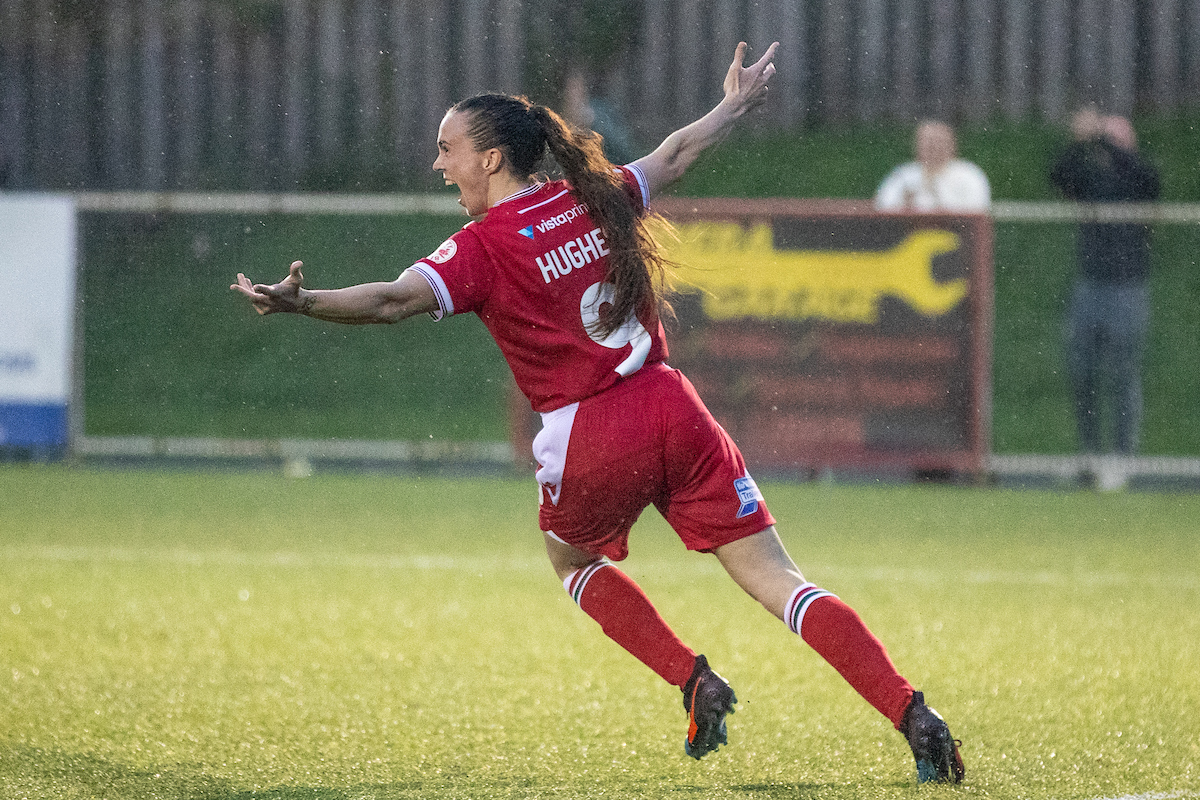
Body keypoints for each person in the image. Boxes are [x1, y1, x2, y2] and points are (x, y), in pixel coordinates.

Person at [231, 42, 964, 784]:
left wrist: (305, 303)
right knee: (783, 582)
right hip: (674, 404)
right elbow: (675, 157)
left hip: (593, 428)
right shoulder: (590, 194)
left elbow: (392, 300)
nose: (438, 163)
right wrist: (734, 105)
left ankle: (692, 678)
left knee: (570, 558)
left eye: (447, 149)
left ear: (489, 159)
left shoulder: (482, 247)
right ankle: (913, 714)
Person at [1050, 108, 1160, 488]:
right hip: (1090, 285)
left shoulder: (1139, 175)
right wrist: (1079, 141)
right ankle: (1089, 453)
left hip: (1128, 287)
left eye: (1114, 138)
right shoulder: (1091, 178)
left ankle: (1122, 457)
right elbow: (1058, 176)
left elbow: (1147, 179)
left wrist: (1106, 140)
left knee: (1122, 371)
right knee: (1081, 370)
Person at [875, 120, 991, 213]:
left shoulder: (969, 174)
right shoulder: (903, 174)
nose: (933, 147)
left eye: (938, 142)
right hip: (908, 236)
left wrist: (938, 195)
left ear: (952, 145)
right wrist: (904, 203)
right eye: (927, 142)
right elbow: (881, 207)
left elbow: (977, 210)